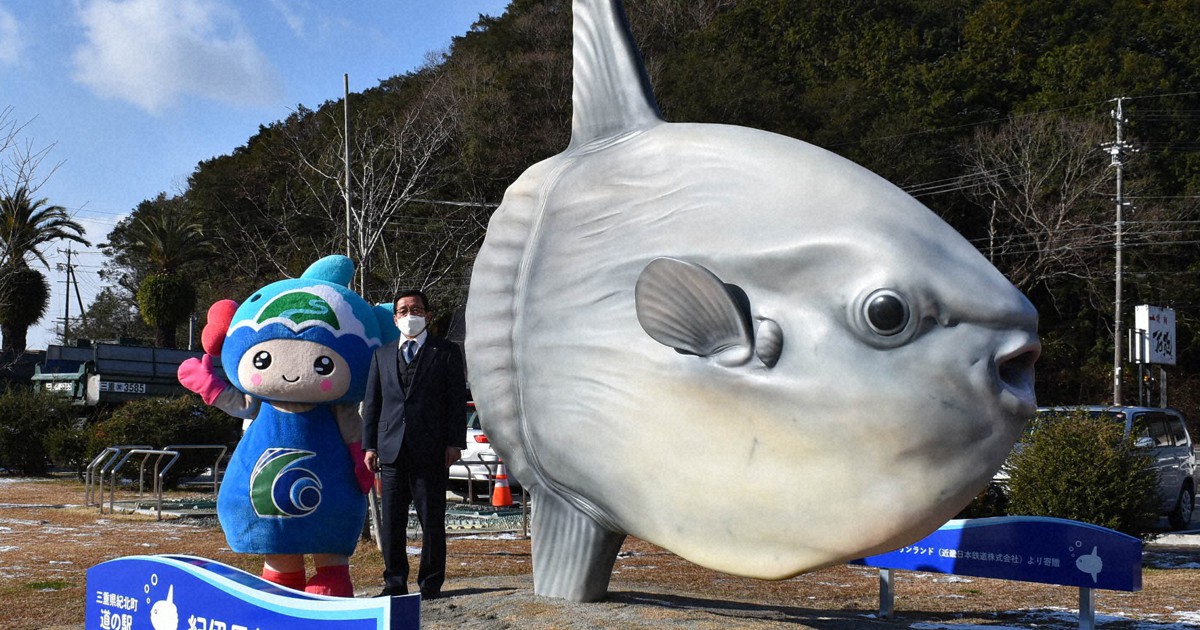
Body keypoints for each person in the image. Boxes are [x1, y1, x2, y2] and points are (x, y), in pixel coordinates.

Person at [362, 290, 467, 599]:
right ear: (395, 318)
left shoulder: (445, 352)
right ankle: (394, 583)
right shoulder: (382, 354)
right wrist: (370, 446)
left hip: (431, 451)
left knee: (432, 521)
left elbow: (456, 402)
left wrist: (454, 442)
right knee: (391, 523)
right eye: (404, 310)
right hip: (391, 451)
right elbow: (373, 404)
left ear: (428, 315)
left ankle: (431, 584)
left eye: (417, 309)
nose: (410, 315)